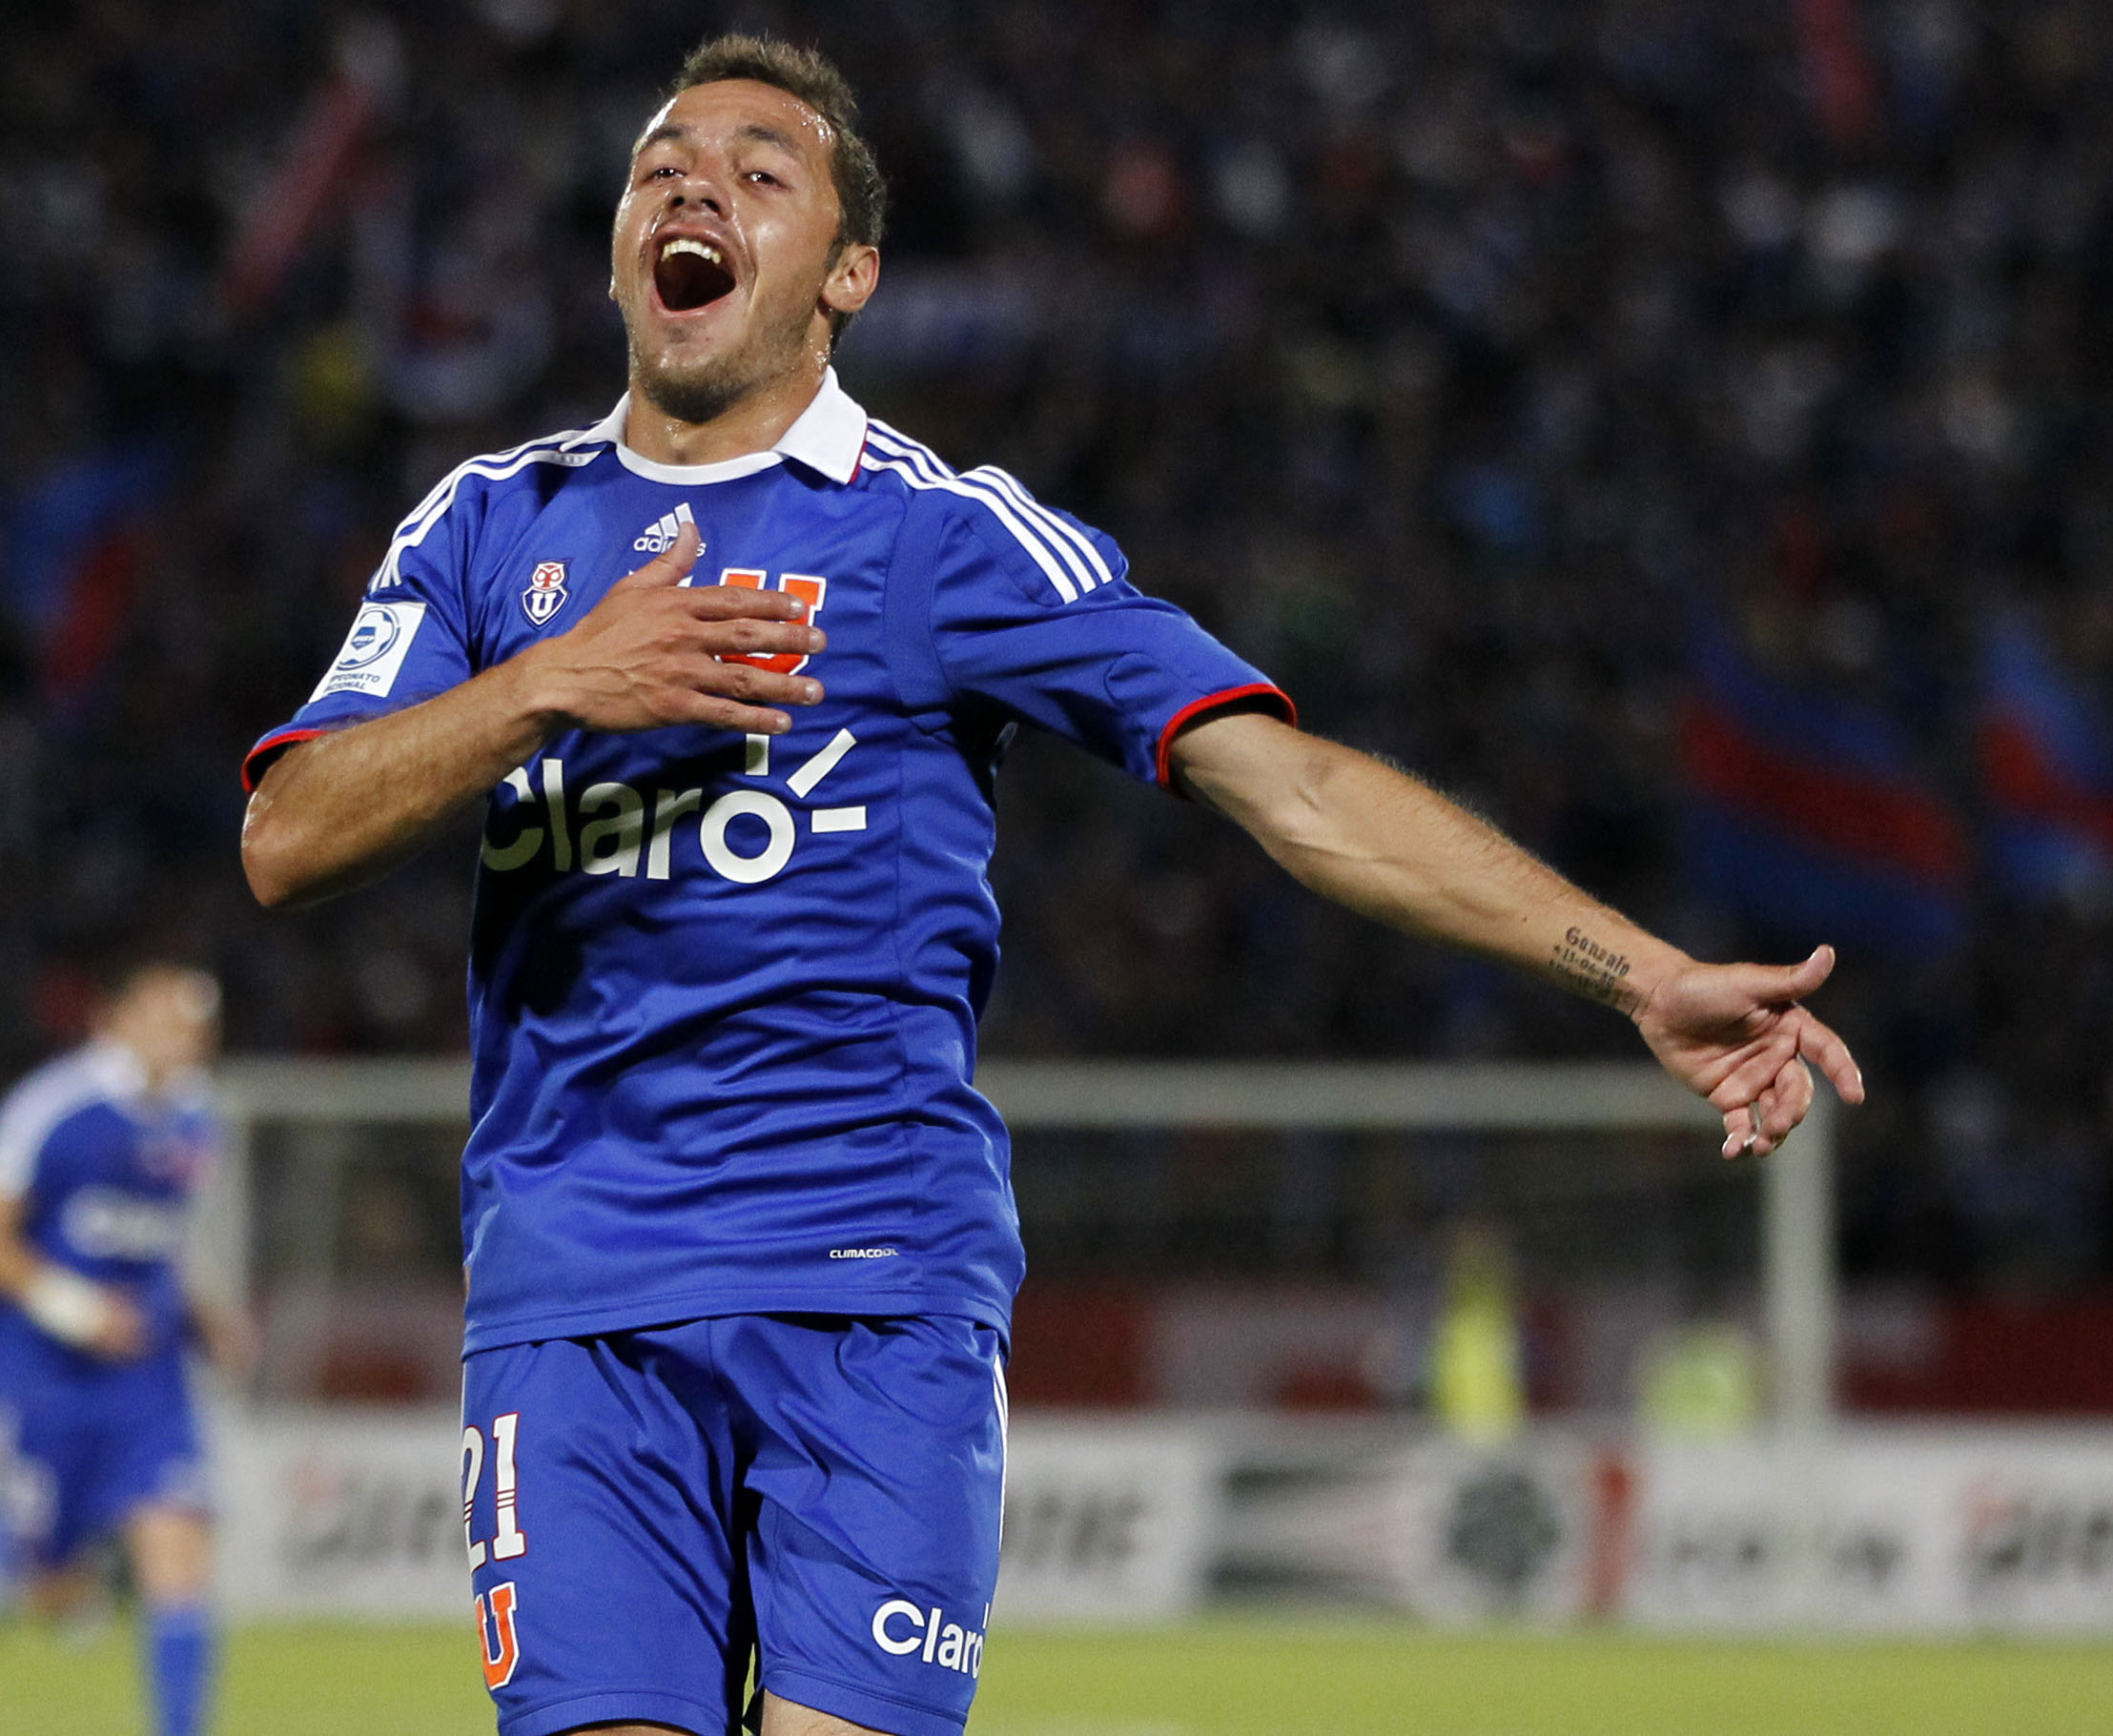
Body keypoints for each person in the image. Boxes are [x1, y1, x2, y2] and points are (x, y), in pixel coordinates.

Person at [237, 35, 1864, 1736]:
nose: (694, 182)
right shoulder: (492, 531)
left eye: (758, 170)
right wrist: (552, 682)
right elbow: (287, 837)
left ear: (846, 276)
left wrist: (1637, 974)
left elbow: (1292, 790)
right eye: (663, 162)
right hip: (574, 1306)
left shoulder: (942, 541)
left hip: (866, 1285)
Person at [0, 963, 253, 1736]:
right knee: (49, 1582)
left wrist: (207, 1315)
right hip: (44, 1375)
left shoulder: (196, 1117)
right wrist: (76, 1308)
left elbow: (157, 1245)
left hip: (147, 1379)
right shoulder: (53, 1107)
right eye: (166, 1019)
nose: (185, 1037)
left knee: (179, 1543)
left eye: (196, 1024)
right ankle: (14, 1540)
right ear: (115, 1020)